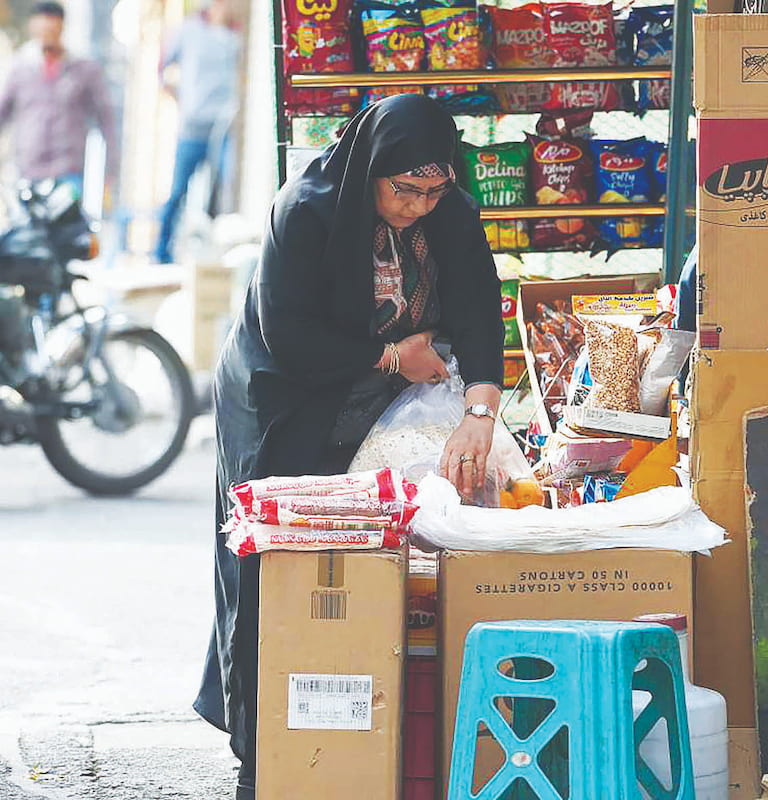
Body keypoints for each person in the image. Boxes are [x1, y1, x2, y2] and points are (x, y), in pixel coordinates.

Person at [195, 95, 504, 800]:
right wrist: (394, 356)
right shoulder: (305, 208)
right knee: (276, 560)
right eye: (405, 190)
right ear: (370, 171)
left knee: (369, 559)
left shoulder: (447, 210)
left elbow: (482, 302)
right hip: (282, 397)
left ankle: (364, 731)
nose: (419, 206)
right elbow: (287, 335)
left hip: (381, 392)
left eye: (434, 190)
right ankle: (263, 749)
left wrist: (480, 408)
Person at [0, 1, 119, 199]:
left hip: (68, 172)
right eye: (43, 28)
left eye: (52, 28)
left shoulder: (84, 70)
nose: (47, 34)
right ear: (33, 28)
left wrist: (111, 170)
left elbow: (106, 120)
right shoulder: (19, 70)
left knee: (67, 227)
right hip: (28, 172)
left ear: (62, 27)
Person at [154, 0, 241, 264]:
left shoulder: (235, 36)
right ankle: (161, 254)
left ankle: (215, 257)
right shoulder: (188, 31)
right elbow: (162, 68)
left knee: (222, 191)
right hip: (192, 127)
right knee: (178, 191)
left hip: (224, 126)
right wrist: (180, 99)